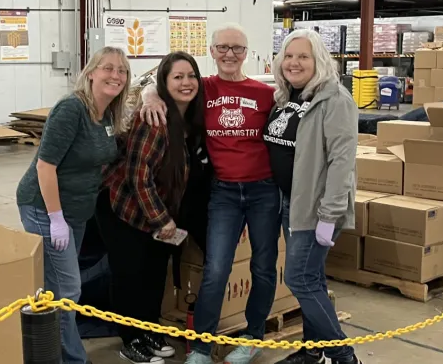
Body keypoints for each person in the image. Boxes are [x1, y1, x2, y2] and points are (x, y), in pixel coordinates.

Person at [141, 24, 280, 364]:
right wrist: (148, 93)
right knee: (216, 268)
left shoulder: (266, 93)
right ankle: (202, 346)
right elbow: (156, 81)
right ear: (212, 51)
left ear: (247, 53)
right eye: (222, 48)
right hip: (225, 193)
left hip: (264, 191)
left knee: (263, 266)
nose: (230, 54)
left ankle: (252, 337)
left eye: (237, 48)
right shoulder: (202, 89)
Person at [16, 46, 130, 364]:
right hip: (44, 207)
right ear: (90, 72)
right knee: (67, 290)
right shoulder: (71, 109)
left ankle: (50, 349)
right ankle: (72, 358)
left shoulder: (107, 112)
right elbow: (45, 166)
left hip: (77, 212)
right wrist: (55, 217)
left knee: (57, 287)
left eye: (121, 70)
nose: (115, 75)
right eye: (108, 68)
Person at [96, 51, 206, 364]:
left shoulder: (188, 117)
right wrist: (161, 220)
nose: (186, 83)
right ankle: (130, 341)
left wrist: (164, 220)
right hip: (124, 208)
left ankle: (147, 331)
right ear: (164, 83)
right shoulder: (154, 119)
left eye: (191, 76)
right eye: (177, 77)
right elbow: (136, 176)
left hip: (157, 212)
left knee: (154, 275)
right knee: (130, 276)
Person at [264, 29, 361, 364]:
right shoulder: (287, 96)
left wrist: (329, 215)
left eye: (303, 56)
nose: (294, 63)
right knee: (313, 278)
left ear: (318, 61)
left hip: (316, 209)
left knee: (299, 278)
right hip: (290, 204)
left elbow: (341, 164)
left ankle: (343, 355)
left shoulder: (334, 100)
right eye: (289, 56)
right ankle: (313, 350)